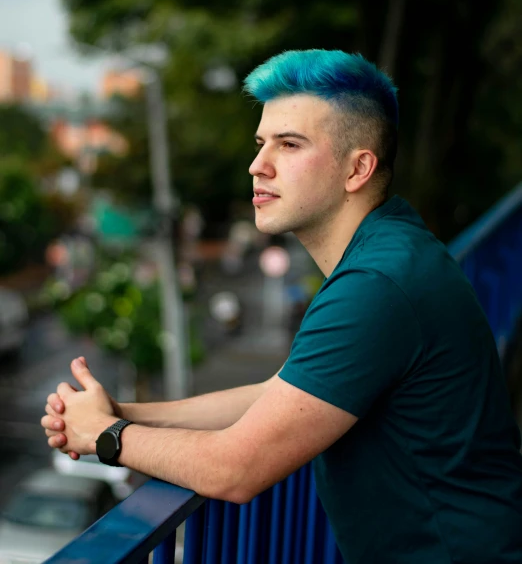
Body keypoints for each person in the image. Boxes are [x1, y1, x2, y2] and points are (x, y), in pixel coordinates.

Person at [42, 49, 522, 563]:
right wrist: (127, 413)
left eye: (289, 144)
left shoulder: (377, 285)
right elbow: (284, 395)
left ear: (357, 168)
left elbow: (235, 470)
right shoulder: (392, 246)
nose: (257, 165)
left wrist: (107, 436)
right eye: (261, 143)